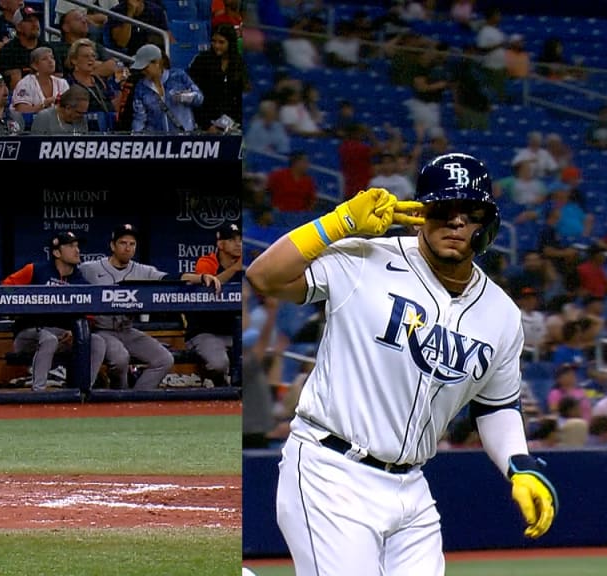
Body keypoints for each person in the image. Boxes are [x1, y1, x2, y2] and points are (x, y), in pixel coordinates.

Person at [245, 153, 558, 575]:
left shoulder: (500, 314)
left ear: (488, 223)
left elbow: (496, 406)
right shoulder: (365, 258)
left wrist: (518, 462)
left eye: (470, 212)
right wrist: (337, 224)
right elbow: (264, 277)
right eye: (443, 210)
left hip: (412, 488)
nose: (456, 223)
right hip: (331, 469)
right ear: (418, 215)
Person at [80, 223, 221, 389]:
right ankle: (120, 396)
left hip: (126, 329)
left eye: (132, 244)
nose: (128, 248)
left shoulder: (142, 270)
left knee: (164, 359)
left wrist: (202, 277)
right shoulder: (90, 269)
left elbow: (172, 278)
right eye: (123, 243)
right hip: (102, 330)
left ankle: (137, 398)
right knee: (120, 359)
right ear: (112, 245)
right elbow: (71, 282)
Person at [1, 231, 107, 391]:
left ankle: (83, 391)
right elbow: (4, 289)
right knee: (48, 339)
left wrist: (77, 332)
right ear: (57, 252)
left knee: (97, 342)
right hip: (30, 334)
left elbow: (90, 316)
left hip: (64, 336)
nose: (77, 250)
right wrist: (26, 303)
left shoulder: (81, 282)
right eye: (71, 246)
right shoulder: (35, 270)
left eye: (77, 246)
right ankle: (39, 392)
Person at [183, 222, 243, 387]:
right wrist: (235, 269)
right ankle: (222, 387)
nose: (238, 244)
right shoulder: (207, 262)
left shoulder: (247, 263)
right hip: (206, 330)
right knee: (219, 364)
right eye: (232, 240)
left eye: (240, 239)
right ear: (220, 243)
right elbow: (209, 289)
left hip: (234, 331)